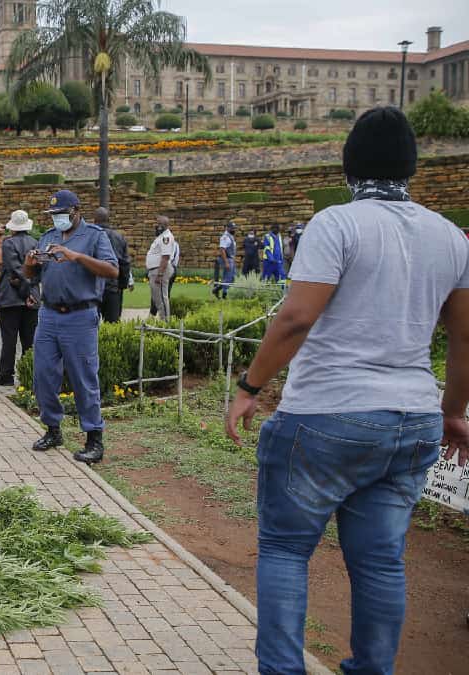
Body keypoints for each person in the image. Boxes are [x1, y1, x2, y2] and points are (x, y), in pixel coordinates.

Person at [225, 106, 469, 675]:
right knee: (382, 562)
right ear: (413, 166)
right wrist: (452, 412)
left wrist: (249, 387)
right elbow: (464, 337)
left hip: (327, 415)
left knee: (287, 550)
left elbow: (294, 318)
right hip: (411, 419)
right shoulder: (451, 237)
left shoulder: (336, 223)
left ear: (348, 165)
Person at [26, 190, 118, 464]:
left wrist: (75, 256)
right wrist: (29, 264)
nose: (57, 219)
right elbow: (30, 274)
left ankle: (94, 437)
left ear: (77, 211)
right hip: (49, 315)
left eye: (62, 214)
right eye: (53, 215)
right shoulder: (48, 237)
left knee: (83, 377)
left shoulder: (95, 236)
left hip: (80, 315)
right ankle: (53, 429)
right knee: (43, 375)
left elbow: (112, 270)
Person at [0, 210, 39, 387]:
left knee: (9, 340)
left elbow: (15, 270)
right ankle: (29, 375)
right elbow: (35, 273)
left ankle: (6, 375)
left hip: (12, 298)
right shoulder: (35, 242)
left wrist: (24, 291)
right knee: (29, 340)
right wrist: (30, 293)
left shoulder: (9, 243)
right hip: (31, 297)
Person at [96, 207, 131, 323]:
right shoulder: (119, 237)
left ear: (95, 220)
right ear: (108, 219)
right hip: (113, 287)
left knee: (90, 324)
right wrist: (122, 284)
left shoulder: (90, 236)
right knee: (112, 324)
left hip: (93, 287)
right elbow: (125, 263)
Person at [146, 216, 175, 320]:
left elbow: (165, 257)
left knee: (162, 298)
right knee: (157, 298)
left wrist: (160, 274)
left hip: (159, 270)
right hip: (155, 270)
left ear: (163, 225)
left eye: (158, 224)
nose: (156, 226)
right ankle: (163, 319)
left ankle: (166, 322)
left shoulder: (165, 237)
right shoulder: (161, 236)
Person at [214, 222, 237, 299]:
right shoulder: (225, 237)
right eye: (232, 228)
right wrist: (226, 262)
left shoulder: (231, 236)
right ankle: (222, 293)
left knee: (232, 278)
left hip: (231, 259)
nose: (234, 229)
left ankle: (219, 290)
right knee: (227, 278)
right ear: (227, 228)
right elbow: (222, 249)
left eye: (234, 228)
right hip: (227, 259)